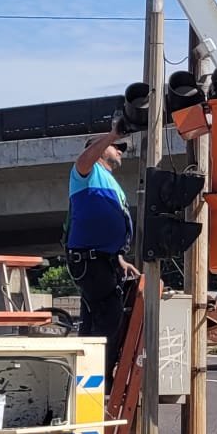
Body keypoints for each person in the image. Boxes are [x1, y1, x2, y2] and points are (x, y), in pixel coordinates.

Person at [67, 126, 139, 375]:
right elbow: (83, 159)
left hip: (103, 260)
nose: (121, 151)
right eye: (116, 147)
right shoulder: (87, 171)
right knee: (109, 316)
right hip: (90, 259)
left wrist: (118, 258)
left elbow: (103, 224)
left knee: (95, 319)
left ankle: (89, 376)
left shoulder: (108, 179)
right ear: (97, 148)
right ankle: (99, 378)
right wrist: (111, 135)